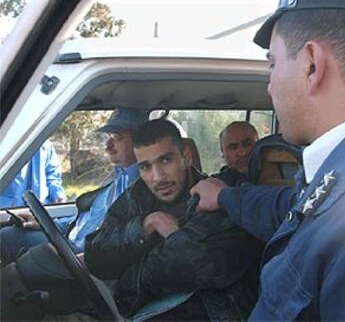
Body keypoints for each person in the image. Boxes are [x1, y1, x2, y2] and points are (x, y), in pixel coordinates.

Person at [191, 0, 345, 320]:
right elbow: (293, 208)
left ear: (311, 65)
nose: (269, 86)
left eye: (272, 64)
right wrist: (225, 196)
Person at [1, 119, 261, 321]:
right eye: (146, 166)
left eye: (166, 160)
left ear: (187, 157)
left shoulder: (218, 195)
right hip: (130, 307)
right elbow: (97, 252)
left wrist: (136, 260)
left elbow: (196, 265)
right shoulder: (138, 195)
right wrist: (146, 225)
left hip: (203, 312)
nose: (157, 176)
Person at [0, 107, 148, 263]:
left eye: (116, 137)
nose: (108, 144)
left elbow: (115, 240)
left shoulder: (141, 187)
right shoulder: (118, 179)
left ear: (139, 140)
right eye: (109, 136)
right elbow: (84, 221)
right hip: (68, 241)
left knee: (6, 239)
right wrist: (45, 223)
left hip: (80, 257)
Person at [0, 140, 66, 208]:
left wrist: (57, 195)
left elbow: (52, 176)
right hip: (7, 212)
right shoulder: (5, 141)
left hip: (39, 210)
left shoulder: (43, 143)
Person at [213, 121, 259, 186]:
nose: (243, 153)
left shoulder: (275, 180)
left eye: (248, 144)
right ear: (223, 153)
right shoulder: (216, 184)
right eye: (233, 147)